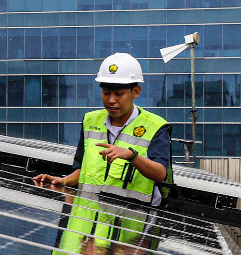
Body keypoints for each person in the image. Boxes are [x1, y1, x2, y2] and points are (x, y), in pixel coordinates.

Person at [33, 52, 173, 206]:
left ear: (136, 91)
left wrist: (132, 156)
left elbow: (160, 174)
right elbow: (82, 169)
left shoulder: (155, 127)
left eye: (119, 94)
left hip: (129, 218)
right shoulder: (90, 121)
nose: (111, 100)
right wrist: (64, 181)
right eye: (106, 93)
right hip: (88, 216)